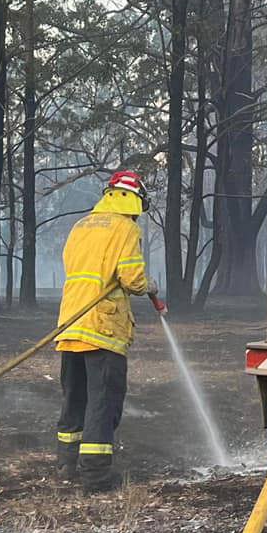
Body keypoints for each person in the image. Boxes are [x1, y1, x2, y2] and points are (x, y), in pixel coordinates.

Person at [54, 169, 165, 493]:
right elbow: (131, 278)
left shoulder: (81, 225)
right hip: (102, 327)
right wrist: (151, 285)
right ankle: (97, 475)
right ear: (134, 199)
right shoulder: (125, 227)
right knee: (103, 400)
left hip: (71, 323)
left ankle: (66, 464)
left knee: (74, 397)